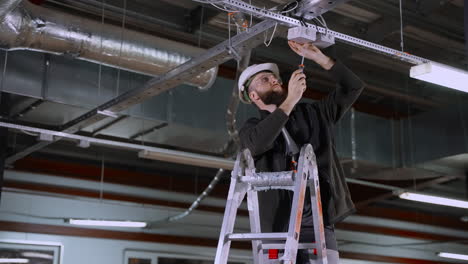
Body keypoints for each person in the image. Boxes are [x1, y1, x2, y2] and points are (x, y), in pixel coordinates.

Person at [238, 40, 365, 263]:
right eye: (264, 79)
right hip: (277, 229)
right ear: (254, 96)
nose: (274, 79)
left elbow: (353, 86)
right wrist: (290, 101)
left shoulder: (315, 113)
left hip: (318, 224)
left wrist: (320, 58)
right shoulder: (251, 129)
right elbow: (258, 144)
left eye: (274, 76)